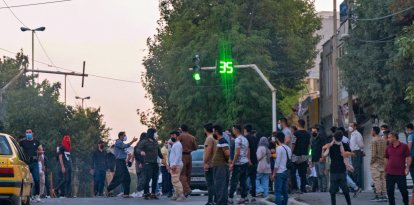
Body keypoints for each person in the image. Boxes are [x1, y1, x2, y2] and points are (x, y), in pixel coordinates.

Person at [324, 131, 352, 205]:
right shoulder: (345, 145)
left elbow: (325, 155)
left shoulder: (330, 146)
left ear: (334, 137)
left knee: (332, 191)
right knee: (345, 190)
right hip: (342, 170)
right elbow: (349, 154)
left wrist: (326, 168)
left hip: (333, 170)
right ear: (342, 138)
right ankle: (349, 204)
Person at [107, 132, 137, 198]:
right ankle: (109, 189)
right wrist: (133, 141)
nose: (125, 136)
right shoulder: (118, 142)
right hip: (119, 162)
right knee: (119, 178)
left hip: (122, 162)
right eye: (124, 135)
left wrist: (127, 161)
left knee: (127, 178)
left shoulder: (121, 143)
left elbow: (127, 152)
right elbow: (125, 146)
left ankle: (126, 194)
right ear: (120, 136)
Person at [136, 128, 163, 200]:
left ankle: (153, 193)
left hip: (155, 163)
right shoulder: (144, 141)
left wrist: (162, 157)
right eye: (155, 133)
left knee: (155, 178)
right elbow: (138, 149)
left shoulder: (155, 142)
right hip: (147, 162)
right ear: (151, 133)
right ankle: (146, 193)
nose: (156, 134)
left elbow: (159, 151)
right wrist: (141, 151)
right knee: (147, 179)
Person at [385, 132, 411, 205]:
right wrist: (385, 169)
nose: (388, 139)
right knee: (390, 191)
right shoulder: (388, 147)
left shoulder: (404, 146)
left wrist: (407, 167)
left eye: (389, 137)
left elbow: (408, 157)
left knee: (404, 191)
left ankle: (406, 203)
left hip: (400, 173)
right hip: (390, 173)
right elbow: (386, 158)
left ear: (395, 138)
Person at [228, 125, 250, 204]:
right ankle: (244, 197)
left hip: (238, 163)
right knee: (243, 181)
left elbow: (237, 153)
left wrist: (232, 164)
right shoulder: (245, 139)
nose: (232, 131)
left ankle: (230, 198)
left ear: (236, 130)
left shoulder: (237, 140)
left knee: (234, 181)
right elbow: (247, 151)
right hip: (245, 162)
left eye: (233, 129)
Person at [19, 129, 42, 202]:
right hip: (25, 164)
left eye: (30, 132)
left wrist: (40, 153)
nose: (28, 133)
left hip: (34, 163)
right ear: (25, 134)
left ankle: (37, 195)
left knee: (37, 179)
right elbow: (16, 148)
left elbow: (41, 150)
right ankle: (29, 195)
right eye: (27, 132)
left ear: (32, 133)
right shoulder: (22, 142)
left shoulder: (36, 142)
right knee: (27, 181)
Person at [212, 125, 230, 205]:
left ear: (216, 132)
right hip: (218, 166)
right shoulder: (220, 141)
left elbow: (227, 153)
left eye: (213, 131)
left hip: (221, 166)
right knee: (219, 185)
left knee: (221, 185)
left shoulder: (223, 141)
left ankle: (222, 202)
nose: (213, 133)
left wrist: (226, 161)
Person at [291, 119, 310, 193]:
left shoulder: (295, 134)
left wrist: (291, 153)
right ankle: (303, 188)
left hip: (296, 155)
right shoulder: (308, 134)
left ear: (298, 124)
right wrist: (308, 155)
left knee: (293, 172)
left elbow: (293, 144)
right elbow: (309, 146)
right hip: (304, 155)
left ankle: (295, 187)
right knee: (303, 173)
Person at [178, 124, 198, 197]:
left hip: (182, 155)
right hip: (189, 155)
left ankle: (187, 189)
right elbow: (196, 147)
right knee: (188, 174)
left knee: (182, 174)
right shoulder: (192, 137)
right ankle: (186, 191)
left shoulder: (180, 136)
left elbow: (176, 145)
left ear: (181, 129)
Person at [272, 131, 291, 205]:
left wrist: (274, 173)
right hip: (286, 171)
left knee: (278, 191)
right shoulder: (288, 148)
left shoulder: (279, 148)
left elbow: (277, 162)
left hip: (279, 172)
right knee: (285, 191)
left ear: (277, 139)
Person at [370, 126, 387, 202]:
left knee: (376, 179)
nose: (371, 132)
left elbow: (373, 154)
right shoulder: (383, 140)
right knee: (383, 179)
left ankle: (378, 195)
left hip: (376, 163)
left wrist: (371, 162)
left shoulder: (374, 140)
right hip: (382, 162)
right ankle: (384, 195)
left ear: (374, 131)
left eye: (371, 131)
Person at [169, 130, 186, 201]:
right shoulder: (175, 144)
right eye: (171, 136)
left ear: (177, 136)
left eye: (173, 135)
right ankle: (176, 195)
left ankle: (181, 195)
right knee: (174, 180)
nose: (172, 137)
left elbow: (178, 155)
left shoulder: (178, 144)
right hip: (174, 165)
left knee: (175, 180)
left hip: (176, 165)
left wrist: (174, 165)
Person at [310, 126, 327, 192]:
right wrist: (311, 160)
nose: (313, 133)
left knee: (322, 174)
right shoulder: (312, 139)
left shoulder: (321, 138)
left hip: (320, 158)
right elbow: (311, 150)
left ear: (318, 132)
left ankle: (324, 189)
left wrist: (323, 157)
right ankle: (320, 189)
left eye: (314, 131)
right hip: (315, 159)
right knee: (318, 175)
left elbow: (324, 148)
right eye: (312, 131)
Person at [203, 123, 217, 205]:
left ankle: (210, 201)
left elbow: (208, 151)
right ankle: (215, 200)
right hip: (215, 163)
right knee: (214, 183)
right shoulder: (215, 138)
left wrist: (205, 162)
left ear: (205, 129)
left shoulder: (209, 138)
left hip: (209, 164)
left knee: (210, 183)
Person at [244, 124, 258, 203]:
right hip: (255, 160)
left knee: (245, 179)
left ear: (245, 130)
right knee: (253, 180)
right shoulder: (255, 138)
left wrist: (248, 160)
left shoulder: (245, 138)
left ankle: (245, 196)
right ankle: (253, 196)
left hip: (248, 161)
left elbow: (247, 149)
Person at [349, 122, 364, 189]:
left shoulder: (357, 134)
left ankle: (358, 186)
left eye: (351, 126)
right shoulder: (352, 134)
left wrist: (361, 151)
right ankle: (355, 186)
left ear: (355, 127)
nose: (350, 127)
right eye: (350, 126)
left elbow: (361, 144)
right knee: (354, 169)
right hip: (353, 152)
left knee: (357, 169)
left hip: (357, 152)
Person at [134, 132, 147, 197]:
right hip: (141, 163)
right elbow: (138, 155)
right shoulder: (142, 145)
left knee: (139, 177)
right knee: (142, 177)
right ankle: (140, 191)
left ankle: (140, 191)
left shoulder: (137, 144)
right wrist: (141, 163)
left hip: (137, 163)